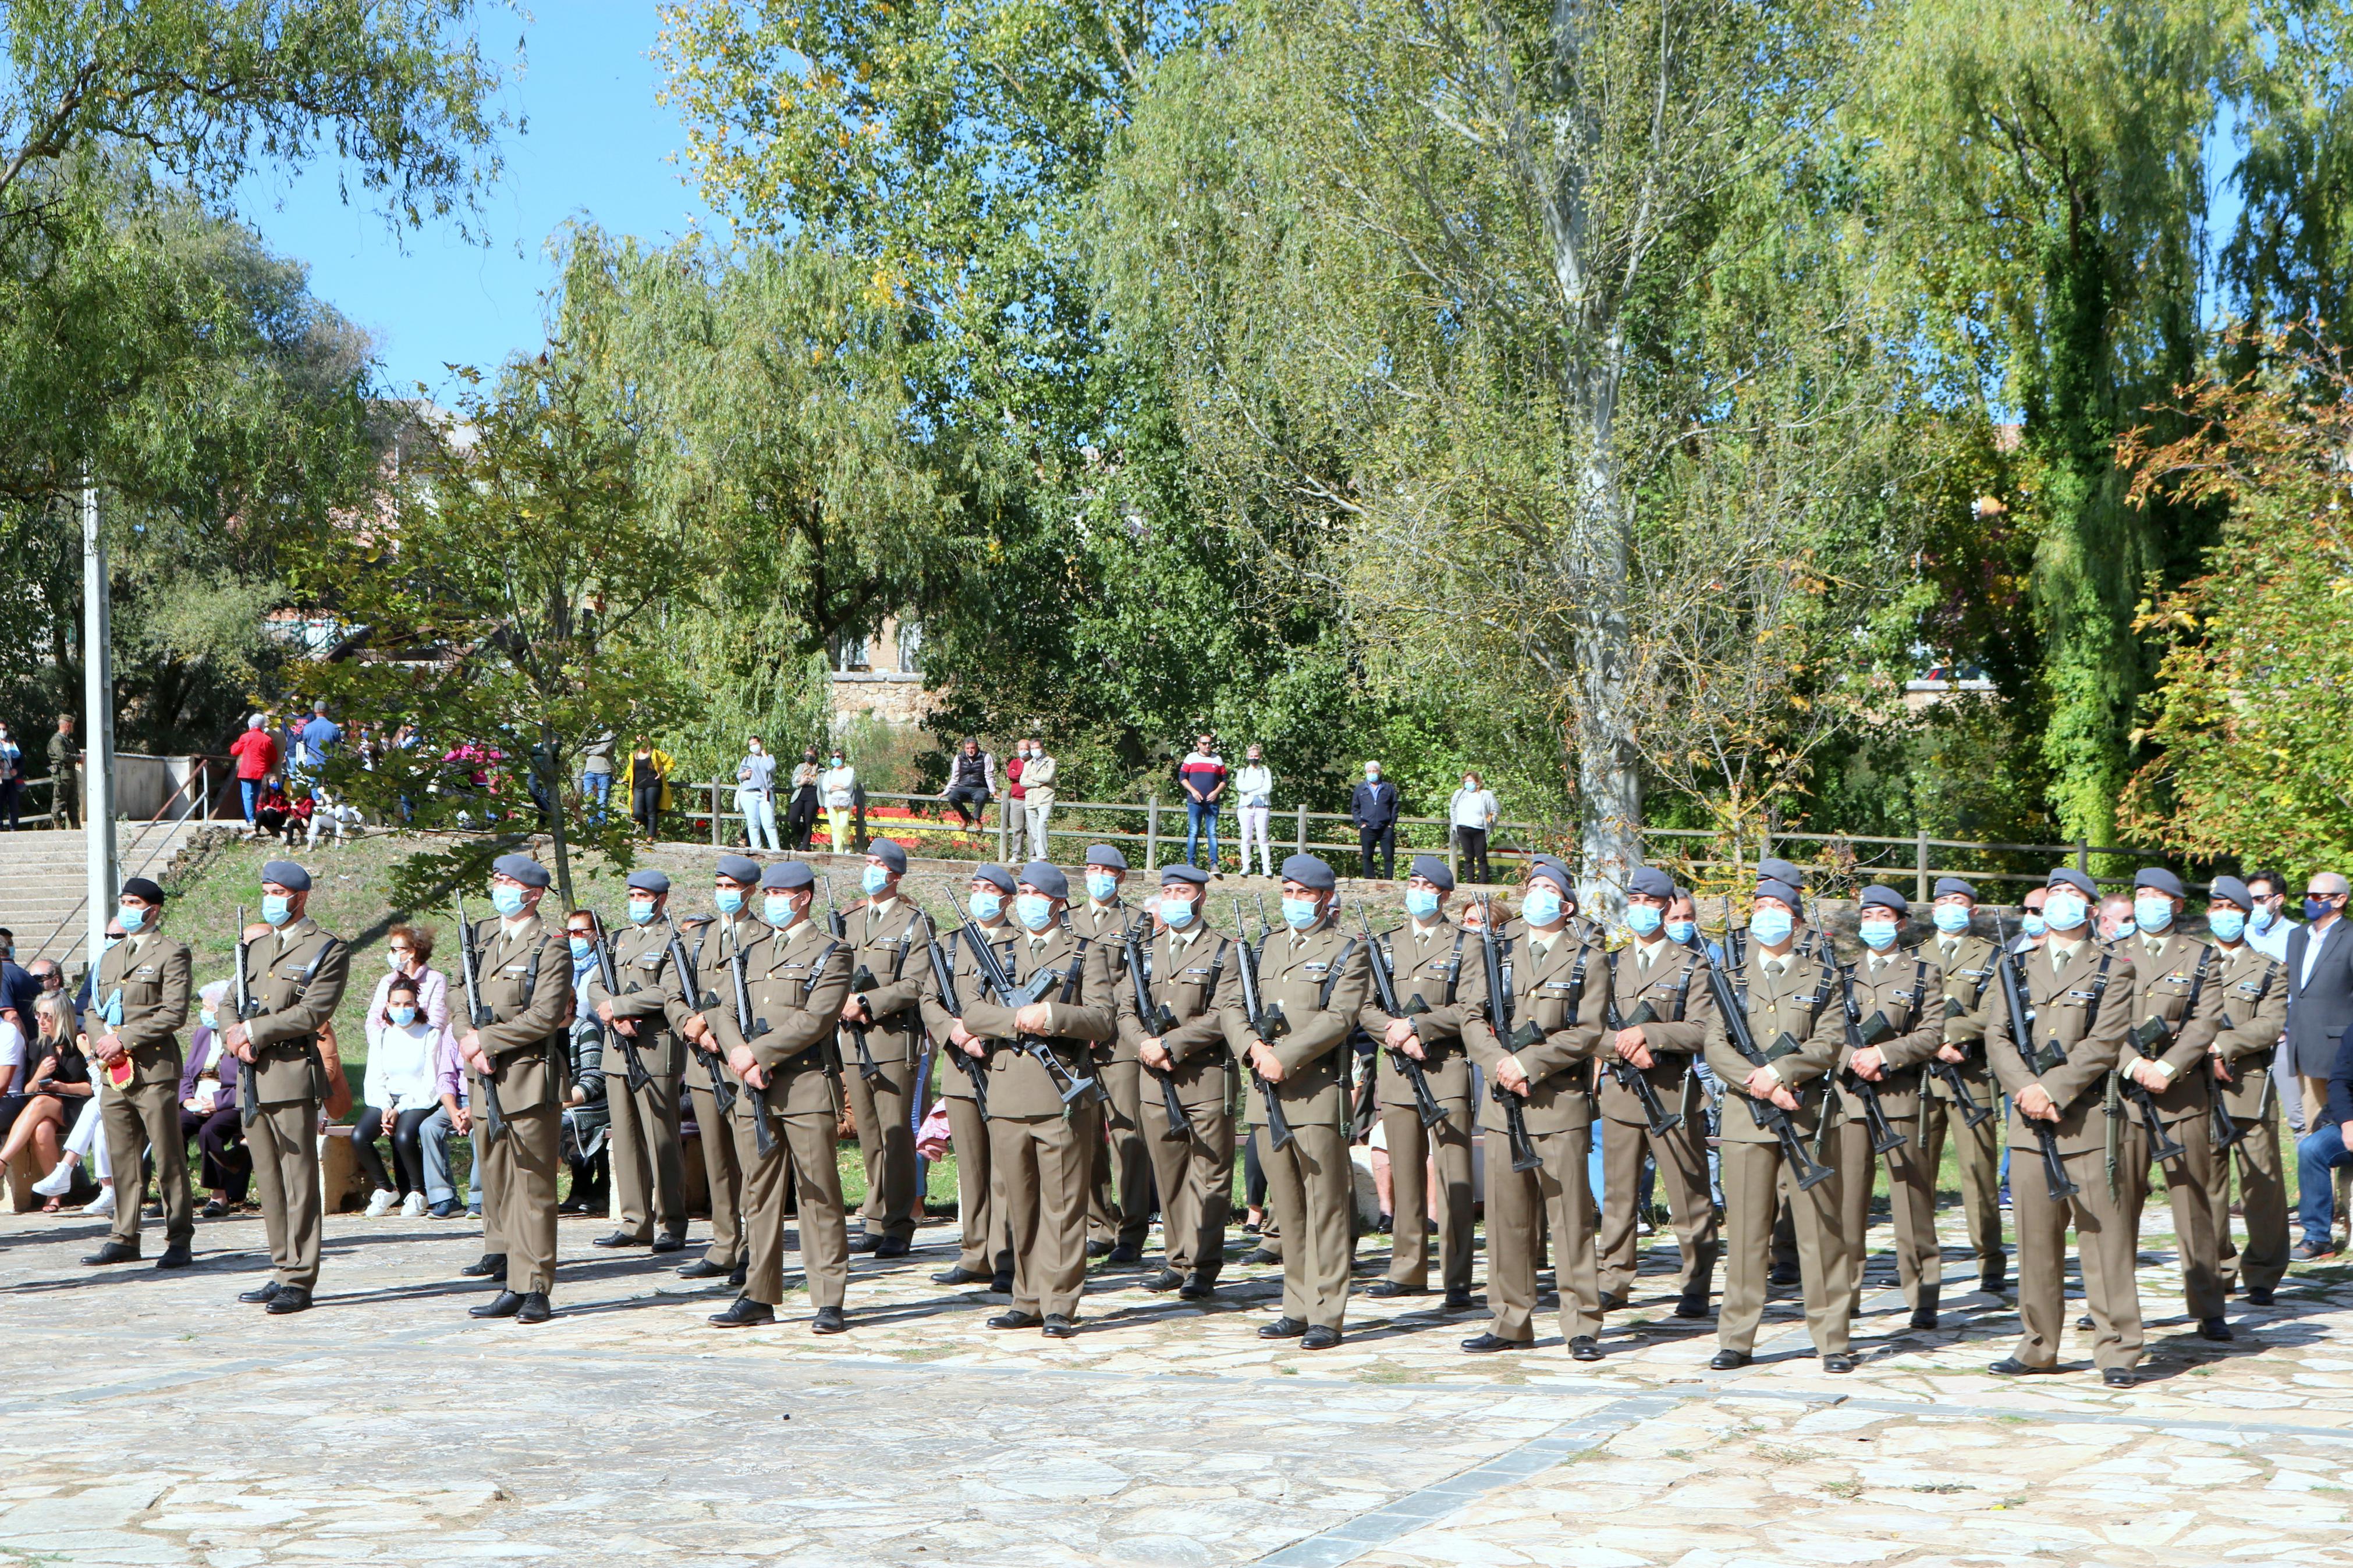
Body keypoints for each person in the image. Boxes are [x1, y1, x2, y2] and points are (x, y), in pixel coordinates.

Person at [1984, 866, 2143, 1386]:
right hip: (2028, 1122)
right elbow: (1997, 1035)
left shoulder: (2113, 967)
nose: (2060, 902)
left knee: (2104, 1240)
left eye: (2072, 894)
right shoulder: (2014, 963)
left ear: (2091, 908)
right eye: (2053, 893)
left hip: (2087, 1121)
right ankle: (2036, 1345)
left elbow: (2104, 1041)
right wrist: (2025, 1090)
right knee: (2035, 1240)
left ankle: (2117, 1348)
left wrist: (2051, 1089)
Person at [1703, 873, 1857, 1373]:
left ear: (1794, 919)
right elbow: (1715, 1044)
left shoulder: (1824, 978)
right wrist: (1759, 1083)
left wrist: (1780, 1072)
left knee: (1818, 1231)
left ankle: (1831, 1339)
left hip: (1805, 1115)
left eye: (1776, 907)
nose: (1766, 915)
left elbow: (1829, 1043)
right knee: (1747, 1233)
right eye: (1759, 905)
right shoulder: (1729, 976)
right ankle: (1736, 1337)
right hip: (1747, 1117)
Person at [959, 860, 1118, 1338]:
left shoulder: (1085, 953)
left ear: (1056, 902)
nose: (1025, 899)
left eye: (1034, 892)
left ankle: (1059, 1302)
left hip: (1059, 1090)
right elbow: (971, 1011)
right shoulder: (1000, 948)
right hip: (1007, 1091)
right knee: (1020, 1203)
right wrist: (1014, 1020)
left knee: (1064, 1204)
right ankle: (1025, 1297)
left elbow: (1102, 1018)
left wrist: (1050, 1015)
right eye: (1021, 890)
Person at [700, 860, 857, 1332]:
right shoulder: (751, 948)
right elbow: (722, 1008)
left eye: (777, 892)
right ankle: (758, 1293)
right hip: (753, 1090)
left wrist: (757, 1054)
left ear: (802, 897)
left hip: (805, 1088)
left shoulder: (832, 950)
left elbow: (817, 1018)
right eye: (766, 892)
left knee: (818, 1195)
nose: (768, 899)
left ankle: (828, 1298)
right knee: (759, 1194)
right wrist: (737, 1052)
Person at [1461, 858, 1607, 1357]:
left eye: (1548, 889)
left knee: (1569, 1219)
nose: (1536, 895)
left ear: (1566, 904)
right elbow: (1471, 1015)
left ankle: (1581, 1324)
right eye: (1532, 886)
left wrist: (1528, 1064)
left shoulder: (1588, 958)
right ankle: (1509, 1319)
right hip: (1502, 1103)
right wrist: (1498, 1061)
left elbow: (1587, 1032)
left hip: (1557, 1102)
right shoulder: (1496, 948)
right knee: (1506, 1220)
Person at [1226, 854, 1371, 1349]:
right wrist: (1252, 1047)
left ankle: (1327, 1313)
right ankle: (1295, 1305)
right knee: (1285, 1207)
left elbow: (1339, 1016)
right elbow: (1231, 1007)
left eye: (1302, 893)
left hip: (1315, 1094)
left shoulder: (1348, 950)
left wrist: (1283, 1056)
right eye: (1286, 892)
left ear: (1325, 899)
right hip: (1265, 1096)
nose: (1293, 901)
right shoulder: (1262, 948)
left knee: (1325, 1207)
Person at [221, 860, 352, 1314]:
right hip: (252, 1075)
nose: (271, 898)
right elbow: (228, 1002)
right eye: (266, 890)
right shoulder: (255, 947)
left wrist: (253, 1032)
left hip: (292, 1073)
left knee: (299, 1181)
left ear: (300, 896)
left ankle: (301, 1276)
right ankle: (281, 1266)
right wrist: (234, 1036)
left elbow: (313, 1012)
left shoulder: (327, 947)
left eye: (278, 891)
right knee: (270, 1182)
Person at [450, 855, 573, 1324]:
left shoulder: (552, 946)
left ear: (534, 893)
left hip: (527, 1077)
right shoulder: (481, 937)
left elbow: (545, 1015)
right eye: (497, 880)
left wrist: (486, 1040)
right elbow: (460, 995)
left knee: (533, 1187)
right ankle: (513, 1281)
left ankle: (537, 1286)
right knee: (499, 1184)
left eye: (509, 881)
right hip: (484, 1078)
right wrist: (468, 1039)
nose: (499, 887)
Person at [1360, 855, 1486, 1311]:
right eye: (1412, 882)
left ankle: (1457, 1276)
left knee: (1453, 1177)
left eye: (1427, 885)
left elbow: (1472, 1005)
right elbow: (1365, 1004)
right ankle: (1407, 1267)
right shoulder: (1385, 943)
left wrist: (1417, 1026)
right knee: (1407, 1174)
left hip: (1444, 1071)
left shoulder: (1466, 945)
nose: (1418, 890)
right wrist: (1391, 1031)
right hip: (1397, 1075)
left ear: (1445, 895)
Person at [2112, 867, 2231, 1341]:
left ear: (2177, 905)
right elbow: (2099, 1021)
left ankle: (2208, 1305)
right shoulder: (2110, 953)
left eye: (2159, 896)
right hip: (2123, 1098)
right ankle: (2112, 1303)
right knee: (2120, 1203)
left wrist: (2166, 1067)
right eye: (2141, 895)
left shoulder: (2201, 956)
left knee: (2192, 1202)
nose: (2148, 903)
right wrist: (2132, 1064)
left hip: (2180, 1095)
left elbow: (2206, 1021)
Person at [1596, 866, 1719, 1321]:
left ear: (1667, 908)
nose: (1640, 909)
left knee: (1689, 1194)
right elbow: (1588, 1027)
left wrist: (1649, 1035)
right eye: (1634, 901)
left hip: (1673, 1094)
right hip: (1622, 1093)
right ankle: (1613, 1279)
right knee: (1619, 1195)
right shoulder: (1609, 962)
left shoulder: (1692, 964)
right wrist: (1623, 1047)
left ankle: (1695, 1282)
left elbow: (1704, 1029)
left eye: (1649, 902)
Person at [1121, 862, 1238, 1299]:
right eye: (1166, 892)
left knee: (1208, 1175)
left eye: (1181, 891)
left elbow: (1224, 1013)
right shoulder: (1146, 950)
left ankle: (1203, 1264)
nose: (1173, 900)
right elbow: (1123, 1009)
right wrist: (1144, 1044)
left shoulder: (1224, 950)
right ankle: (1176, 1258)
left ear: (1200, 897)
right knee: (1168, 1174)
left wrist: (1171, 1044)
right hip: (1153, 1080)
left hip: (1204, 1079)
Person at [1834, 886, 1948, 1329]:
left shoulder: (1923, 974)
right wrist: (1851, 1058)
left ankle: (1922, 1293)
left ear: (1900, 923)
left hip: (1901, 1097)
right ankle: (1846, 1290)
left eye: (1883, 915)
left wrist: (1882, 1055)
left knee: (1911, 1201)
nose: (1874, 923)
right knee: (1848, 1202)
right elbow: (1826, 1035)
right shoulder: (1842, 974)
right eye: (1867, 915)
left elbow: (1931, 1032)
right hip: (1851, 1101)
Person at [80, 877, 196, 1270]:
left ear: (153, 909)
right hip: (114, 1069)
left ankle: (179, 1236)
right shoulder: (110, 955)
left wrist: (123, 1038)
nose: (128, 907)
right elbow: (92, 1007)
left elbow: (173, 1012)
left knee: (167, 1156)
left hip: (153, 1068)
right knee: (122, 1156)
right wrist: (102, 1041)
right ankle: (124, 1235)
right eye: (124, 901)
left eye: (135, 902)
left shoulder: (171, 952)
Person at [670, 856, 768, 1290]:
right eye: (719, 883)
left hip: (737, 1058)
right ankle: (723, 1243)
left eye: (731, 885)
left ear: (750, 890)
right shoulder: (698, 939)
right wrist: (688, 1023)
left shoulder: (764, 936)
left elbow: (749, 992)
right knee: (716, 1159)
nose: (724, 891)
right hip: (700, 1059)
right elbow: (675, 990)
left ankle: (754, 1249)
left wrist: (715, 1030)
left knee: (749, 1159)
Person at [921, 864, 1020, 1291]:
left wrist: (986, 1034)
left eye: (990, 889)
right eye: (975, 887)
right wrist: (954, 1031)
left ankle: (1005, 1255)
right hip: (961, 1069)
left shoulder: (1021, 944)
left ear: (1008, 898)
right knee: (973, 1167)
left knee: (1004, 1168)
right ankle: (973, 1252)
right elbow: (928, 997)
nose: (981, 895)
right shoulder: (950, 944)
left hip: (1004, 1067)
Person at [584, 870, 690, 1255]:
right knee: (627, 1139)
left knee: (660, 1138)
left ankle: (672, 1222)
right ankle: (635, 1222)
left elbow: (669, 991)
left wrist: (622, 1006)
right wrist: (611, 1011)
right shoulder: (618, 939)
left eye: (643, 895)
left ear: (661, 900)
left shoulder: (673, 941)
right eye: (632, 894)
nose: (636, 900)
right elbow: (597, 983)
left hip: (654, 1048)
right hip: (616, 1049)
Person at [837, 840, 934, 1260]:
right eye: (868, 863)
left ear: (895, 875)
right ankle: (875, 1217)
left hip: (893, 1040)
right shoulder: (851, 919)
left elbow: (915, 983)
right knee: (870, 1135)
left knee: (897, 1136)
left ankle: (899, 1224)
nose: (871, 870)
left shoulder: (914, 922)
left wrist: (866, 1002)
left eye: (879, 865)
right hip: (851, 1042)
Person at [1915, 877, 2008, 1295]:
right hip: (1920, 1080)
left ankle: (1990, 1260)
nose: (1950, 907)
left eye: (1959, 902)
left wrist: (1946, 1035)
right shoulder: (1913, 956)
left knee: (1979, 1173)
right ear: (1933, 909)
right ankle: (1916, 1259)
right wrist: (1933, 1042)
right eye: (1943, 901)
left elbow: (1994, 1013)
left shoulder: (1992, 956)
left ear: (1972, 911)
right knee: (1916, 1175)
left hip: (1971, 1077)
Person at [2204, 876, 2290, 1304]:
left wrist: (2222, 1044)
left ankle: (2263, 1271)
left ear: (2246, 913)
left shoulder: (2270, 968)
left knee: (2261, 1183)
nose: (2223, 914)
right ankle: (2217, 1267)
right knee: (2207, 1183)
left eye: (2231, 906)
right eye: (2215, 905)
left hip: (2246, 1087)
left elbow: (2270, 1024)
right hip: (2195, 1085)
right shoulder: (2192, 962)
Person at [2287, 872, 2353, 1256]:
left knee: (2336, 1132)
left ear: (2340, 900)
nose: (2310, 900)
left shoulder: (2349, 937)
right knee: (2310, 1135)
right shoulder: (2297, 937)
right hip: (2301, 1045)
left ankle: (2341, 1219)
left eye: (2319, 895)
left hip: (2339, 1047)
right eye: (2307, 893)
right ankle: (2318, 1226)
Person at [352, 976, 448, 1218]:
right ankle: (386, 1188)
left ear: (417, 1006)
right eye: (396, 1004)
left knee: (405, 1136)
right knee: (360, 1136)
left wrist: (400, 1109)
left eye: (407, 1004)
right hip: (386, 1099)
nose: (402, 1010)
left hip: (417, 1099)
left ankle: (418, 1192)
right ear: (387, 1006)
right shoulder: (383, 1036)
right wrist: (386, 1106)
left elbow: (430, 1082)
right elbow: (375, 1078)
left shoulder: (430, 1035)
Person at [1, 996, 90, 1208]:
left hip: (79, 1107)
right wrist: (39, 1075)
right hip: (47, 1108)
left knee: (41, 1102)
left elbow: (93, 1087)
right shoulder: (36, 1046)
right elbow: (27, 1090)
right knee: (41, 1130)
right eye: (38, 1015)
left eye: (47, 1016)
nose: (41, 1021)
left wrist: (64, 1088)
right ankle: (55, 1193)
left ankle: (2, 1160)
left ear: (62, 1017)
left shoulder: (80, 1043)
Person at [178, 983, 248, 1215]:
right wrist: (187, 1099)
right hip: (198, 1100)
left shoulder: (238, 1037)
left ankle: (219, 1197)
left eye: (208, 1007)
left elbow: (245, 1082)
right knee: (175, 1126)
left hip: (230, 1101)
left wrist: (218, 1102)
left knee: (211, 1131)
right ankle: (177, 1195)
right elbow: (187, 1072)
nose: (203, 1012)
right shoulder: (202, 1034)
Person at [559, 917, 611, 1216]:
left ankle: (595, 1188)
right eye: (569, 932)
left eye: (580, 932)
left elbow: (593, 1078)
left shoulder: (584, 1029)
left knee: (566, 1122)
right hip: (564, 1095)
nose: (574, 938)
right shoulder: (565, 966)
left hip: (594, 1094)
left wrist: (566, 1100)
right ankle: (578, 1187)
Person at [1178, 734, 1226, 872]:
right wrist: (1193, 791)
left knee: (1212, 833)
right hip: (1195, 801)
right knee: (1193, 832)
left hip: (1212, 802)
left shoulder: (1217, 759)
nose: (1207, 746)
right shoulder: (1191, 758)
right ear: (1198, 744)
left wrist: (1216, 792)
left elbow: (1224, 780)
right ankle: (1191, 863)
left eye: (1209, 743)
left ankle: (1214, 864)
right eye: (1204, 743)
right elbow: (1182, 778)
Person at [1351, 762, 1400, 881]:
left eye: (1375, 771)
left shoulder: (1388, 788)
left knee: (1388, 855)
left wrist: (1391, 824)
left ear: (1380, 772)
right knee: (1367, 855)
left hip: (1385, 827)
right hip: (1367, 826)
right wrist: (1360, 824)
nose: (1372, 774)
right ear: (1366, 773)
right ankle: (1370, 880)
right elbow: (1355, 808)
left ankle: (1388, 880)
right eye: (1369, 771)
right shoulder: (1360, 789)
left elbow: (1395, 806)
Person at [1448, 772, 1499, 885]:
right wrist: (1454, 823)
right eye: (1466, 781)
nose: (1468, 783)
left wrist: (1491, 826)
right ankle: (1470, 881)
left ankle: (1483, 882)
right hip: (1463, 828)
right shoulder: (1460, 793)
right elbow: (1453, 808)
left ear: (1477, 782)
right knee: (1468, 857)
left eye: (1470, 781)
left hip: (1480, 829)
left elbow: (1495, 811)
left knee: (1481, 857)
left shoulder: (1486, 794)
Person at [229, 715, 278, 834]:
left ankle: (250, 820)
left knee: (248, 795)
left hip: (247, 771)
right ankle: (259, 818)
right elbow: (274, 758)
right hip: (262, 772)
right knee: (260, 796)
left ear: (250, 725)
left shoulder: (246, 737)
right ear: (262, 725)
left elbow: (234, 751)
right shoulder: (267, 739)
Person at [1234, 746, 1275, 879]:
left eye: (1256, 756)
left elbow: (1267, 788)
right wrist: (1258, 786)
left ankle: (1267, 867)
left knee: (1263, 838)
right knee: (1246, 837)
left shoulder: (1265, 771)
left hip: (1262, 807)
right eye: (1251, 756)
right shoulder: (1243, 771)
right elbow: (1240, 787)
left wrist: (1250, 790)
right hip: (1245, 807)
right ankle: (1246, 866)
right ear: (1247, 757)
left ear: (1260, 757)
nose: (1254, 759)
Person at [735, 736, 780, 853]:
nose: (753, 747)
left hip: (765, 794)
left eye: (755, 744)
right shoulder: (747, 759)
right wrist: (745, 775)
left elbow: (771, 768)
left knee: (769, 823)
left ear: (760, 743)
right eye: (751, 745)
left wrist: (765, 755)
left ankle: (776, 850)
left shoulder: (769, 758)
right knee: (753, 823)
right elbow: (738, 775)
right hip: (749, 793)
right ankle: (756, 850)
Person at [943, 737, 996, 832]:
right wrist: (946, 791)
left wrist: (994, 792)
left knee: (981, 797)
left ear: (977, 747)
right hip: (963, 786)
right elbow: (955, 777)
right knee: (952, 797)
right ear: (964, 748)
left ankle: (976, 819)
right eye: (968, 748)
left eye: (972, 748)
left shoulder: (985, 757)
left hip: (980, 787)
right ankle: (966, 817)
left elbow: (989, 775)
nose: (970, 751)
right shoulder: (959, 757)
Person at [2245, 870, 2295, 965]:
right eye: (2249, 900)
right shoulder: (2243, 934)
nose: (2253, 905)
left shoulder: (2296, 936)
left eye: (2259, 899)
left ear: (2278, 900)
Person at [1020, 737, 1056, 861]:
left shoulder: (1051, 762)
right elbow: (1023, 781)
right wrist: (1037, 783)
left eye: (1037, 748)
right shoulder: (1028, 764)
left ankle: (1043, 857)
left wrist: (1033, 777)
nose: (1035, 751)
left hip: (1045, 799)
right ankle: (1039, 856)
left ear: (1043, 748)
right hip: (1030, 800)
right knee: (1034, 831)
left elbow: (1049, 777)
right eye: (1033, 748)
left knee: (1042, 825)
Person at [627, 737, 667, 842]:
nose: (641, 743)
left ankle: (651, 837)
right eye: (638, 741)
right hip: (638, 787)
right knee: (637, 813)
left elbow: (671, 762)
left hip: (653, 785)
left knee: (651, 811)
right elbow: (630, 771)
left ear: (648, 741)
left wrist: (662, 772)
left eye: (643, 740)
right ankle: (654, 830)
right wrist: (625, 779)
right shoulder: (633, 756)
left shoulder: (655, 754)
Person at [821, 747, 857, 854]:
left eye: (838, 756)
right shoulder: (829, 773)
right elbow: (826, 787)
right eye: (833, 757)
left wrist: (834, 786)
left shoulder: (849, 771)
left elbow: (847, 784)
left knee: (843, 824)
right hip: (831, 803)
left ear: (843, 757)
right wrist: (839, 786)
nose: (835, 759)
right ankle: (838, 851)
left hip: (845, 802)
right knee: (835, 827)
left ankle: (846, 843)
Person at [785, 748, 822, 849]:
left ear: (816, 756)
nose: (808, 757)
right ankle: (803, 837)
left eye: (810, 755)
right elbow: (794, 781)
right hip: (800, 794)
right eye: (806, 755)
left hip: (813, 796)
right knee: (793, 819)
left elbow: (822, 783)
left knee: (808, 821)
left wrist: (810, 780)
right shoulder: (800, 767)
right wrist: (801, 783)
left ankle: (805, 846)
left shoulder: (821, 769)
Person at [48, 713, 77, 830]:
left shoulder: (68, 741)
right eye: (71, 725)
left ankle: (75, 825)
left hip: (70, 774)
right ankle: (57, 825)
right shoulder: (57, 740)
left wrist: (78, 757)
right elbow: (63, 756)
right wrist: (78, 758)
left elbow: (76, 753)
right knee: (59, 800)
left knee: (73, 802)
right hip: (61, 775)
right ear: (68, 726)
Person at [0, 720, 23, 831]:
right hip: (0, 780)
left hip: (12, 779)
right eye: (0, 729)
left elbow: (22, 761)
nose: (2, 731)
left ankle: (14, 828)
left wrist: (17, 770)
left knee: (14, 805)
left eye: (4, 729)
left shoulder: (13, 743)